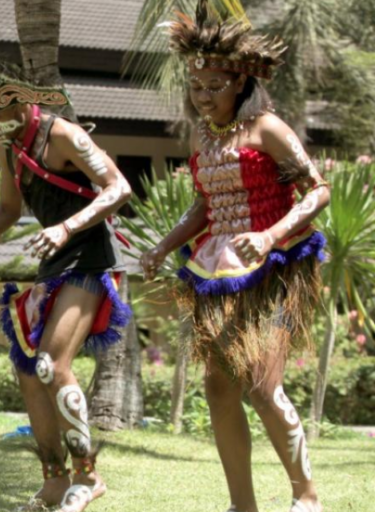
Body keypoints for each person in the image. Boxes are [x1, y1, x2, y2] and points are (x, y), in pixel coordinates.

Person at [0, 6, 132, 511]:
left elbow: (118, 187)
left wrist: (66, 226)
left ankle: (89, 475)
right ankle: (52, 481)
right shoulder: (8, 148)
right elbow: (6, 210)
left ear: (17, 97)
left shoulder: (63, 134)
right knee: (27, 369)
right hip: (54, 266)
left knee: (51, 364)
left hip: (87, 260)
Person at [140, 4, 328, 511]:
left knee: (263, 386)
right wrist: (161, 246)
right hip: (219, 268)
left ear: (241, 83)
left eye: (213, 87)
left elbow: (317, 192)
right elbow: (205, 204)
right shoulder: (206, 137)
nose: (203, 97)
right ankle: (241, 505)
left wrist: (270, 236)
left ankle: (305, 495)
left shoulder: (268, 127)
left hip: (275, 264)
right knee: (218, 385)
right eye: (196, 88)